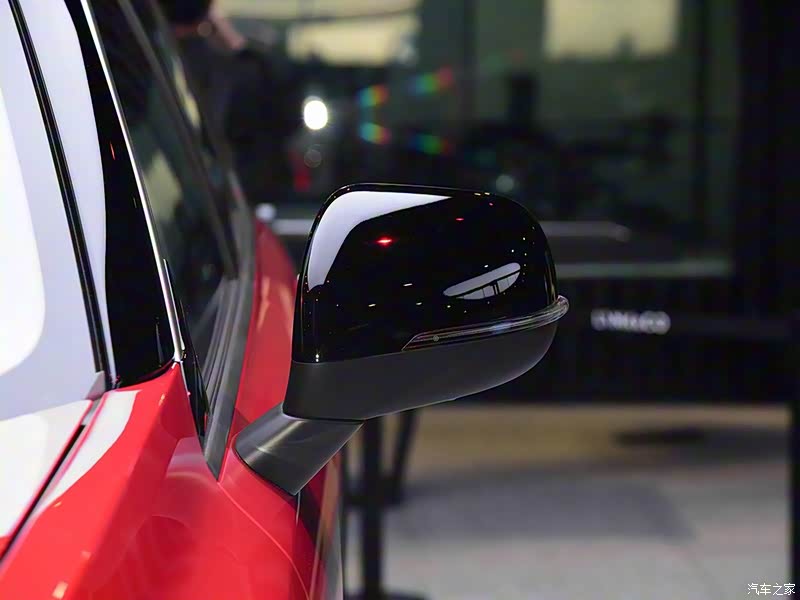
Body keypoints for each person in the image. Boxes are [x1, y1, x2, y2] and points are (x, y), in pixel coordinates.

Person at [158, 0, 302, 205]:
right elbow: (286, 115)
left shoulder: (154, 58)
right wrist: (236, 46)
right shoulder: (226, 68)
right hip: (222, 196)